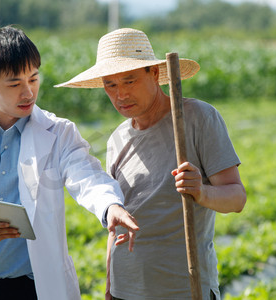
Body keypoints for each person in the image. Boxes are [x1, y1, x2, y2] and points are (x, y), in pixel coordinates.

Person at [0, 25, 139, 300]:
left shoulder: (59, 132)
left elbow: (86, 175)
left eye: (33, 79)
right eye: (15, 84)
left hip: (37, 285)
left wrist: (110, 205)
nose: (28, 93)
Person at [55, 28, 247, 300]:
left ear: (154, 74)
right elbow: (117, 221)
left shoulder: (197, 118)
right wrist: (109, 288)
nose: (120, 94)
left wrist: (201, 192)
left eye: (129, 80)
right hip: (126, 288)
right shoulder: (118, 139)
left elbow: (236, 198)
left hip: (184, 288)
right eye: (110, 85)